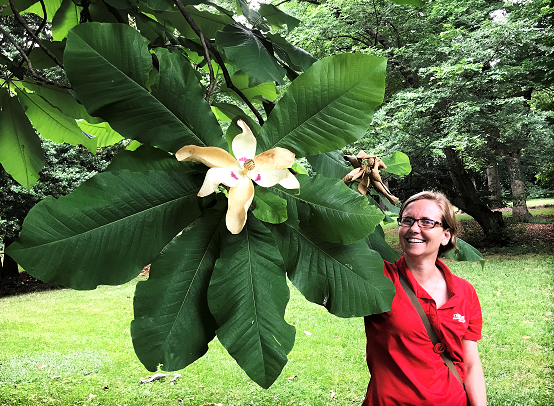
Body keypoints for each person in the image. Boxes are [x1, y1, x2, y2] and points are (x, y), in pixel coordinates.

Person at [362, 191, 486, 406]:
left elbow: (471, 364)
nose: (414, 228)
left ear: (446, 235)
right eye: (407, 220)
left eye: (427, 222)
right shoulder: (377, 278)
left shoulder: (465, 292)